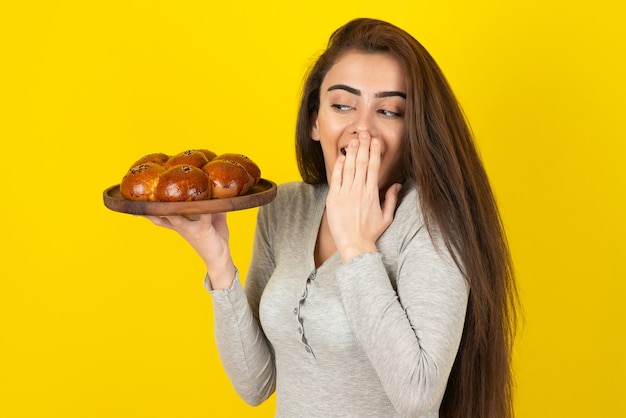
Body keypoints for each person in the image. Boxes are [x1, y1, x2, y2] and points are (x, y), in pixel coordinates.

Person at [147, 18, 518, 418]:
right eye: (342, 105)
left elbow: (417, 396)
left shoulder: (433, 222)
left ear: (415, 130)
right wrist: (218, 262)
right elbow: (256, 384)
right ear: (314, 121)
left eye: (390, 111)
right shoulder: (284, 209)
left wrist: (357, 247)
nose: (363, 128)